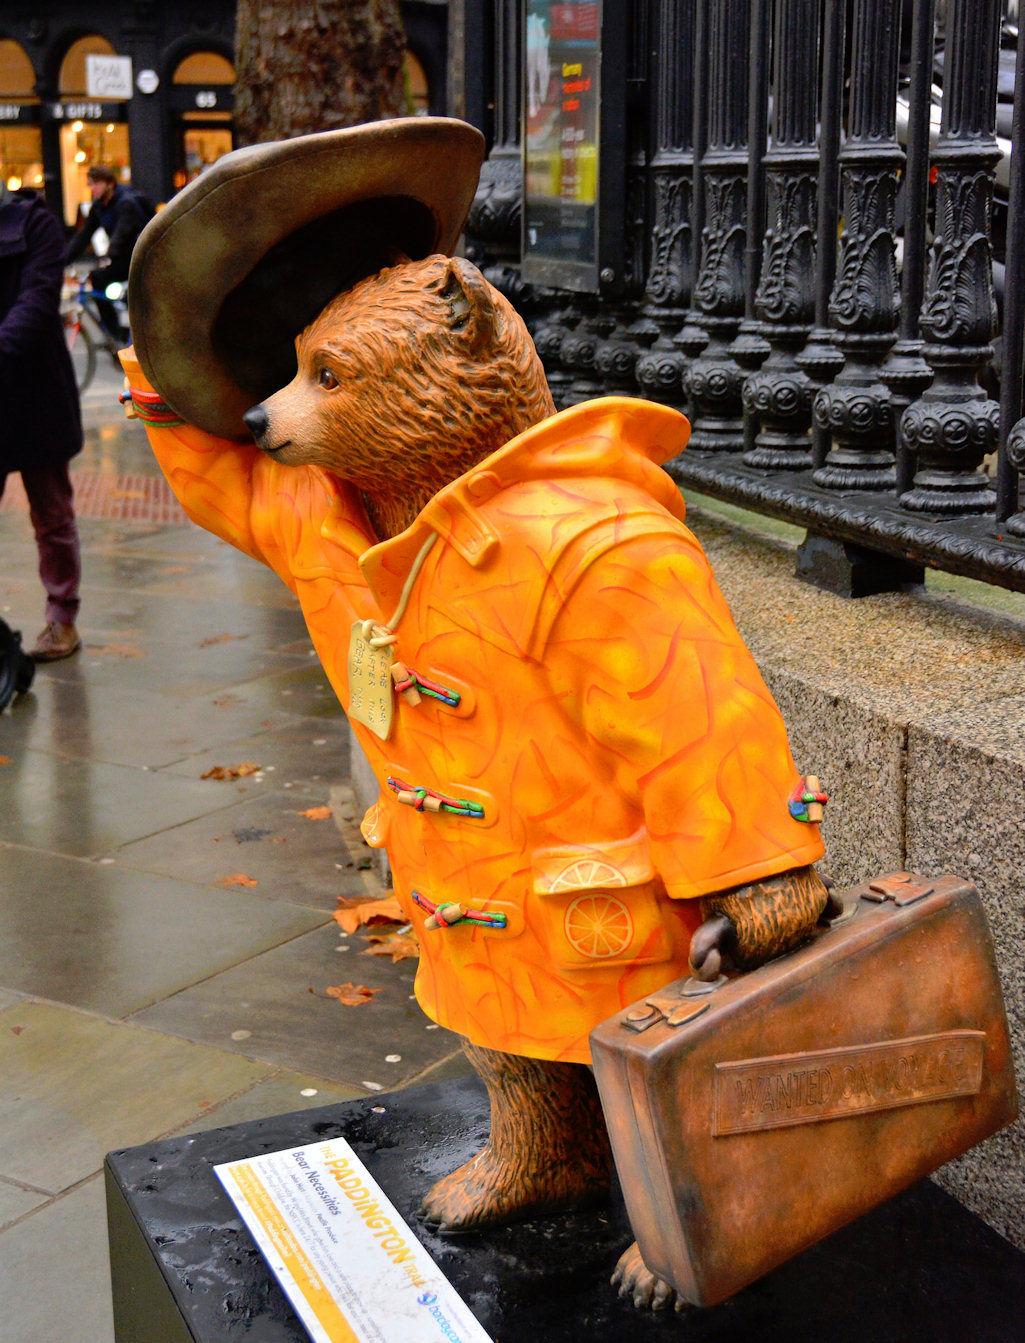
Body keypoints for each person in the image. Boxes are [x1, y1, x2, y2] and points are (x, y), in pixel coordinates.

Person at [0, 182, 83, 661]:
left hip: (36, 395)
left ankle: (61, 619)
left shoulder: (36, 223)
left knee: (51, 516)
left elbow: (36, 300)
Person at [65, 164, 148, 342]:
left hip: (141, 258)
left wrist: (108, 257)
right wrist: (60, 260)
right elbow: (83, 237)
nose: (92, 188)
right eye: (90, 184)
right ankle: (115, 334)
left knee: (128, 295)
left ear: (109, 184)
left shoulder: (127, 202)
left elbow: (121, 235)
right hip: (121, 257)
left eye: (95, 184)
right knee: (97, 279)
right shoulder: (99, 207)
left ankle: (135, 337)